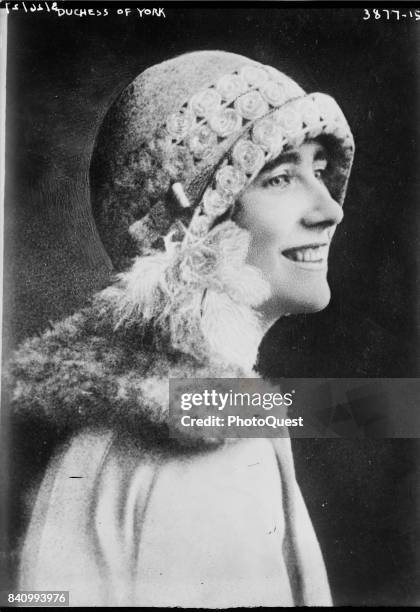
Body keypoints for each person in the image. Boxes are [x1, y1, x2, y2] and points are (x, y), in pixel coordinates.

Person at [8, 50, 354, 607]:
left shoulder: (105, 428)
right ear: (192, 233)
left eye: (320, 170)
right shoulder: (211, 443)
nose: (329, 209)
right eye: (281, 177)